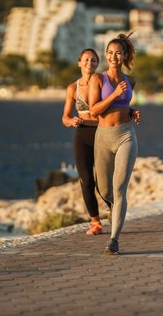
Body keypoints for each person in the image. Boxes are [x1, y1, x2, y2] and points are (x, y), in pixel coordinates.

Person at [88, 32, 141, 255]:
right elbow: (93, 111)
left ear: (124, 55)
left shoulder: (131, 81)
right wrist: (113, 96)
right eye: (110, 53)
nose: (113, 57)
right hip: (103, 137)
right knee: (104, 189)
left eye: (118, 53)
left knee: (120, 189)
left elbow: (122, 105)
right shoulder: (97, 79)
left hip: (126, 135)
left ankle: (114, 239)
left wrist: (131, 111)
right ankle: (112, 207)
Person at [62, 48, 104, 235]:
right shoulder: (73, 88)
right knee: (86, 180)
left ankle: (114, 211)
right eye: (86, 60)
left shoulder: (103, 82)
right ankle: (95, 222)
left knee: (104, 181)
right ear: (79, 63)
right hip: (82, 135)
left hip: (102, 132)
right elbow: (65, 117)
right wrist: (71, 121)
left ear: (97, 63)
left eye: (93, 60)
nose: (90, 63)